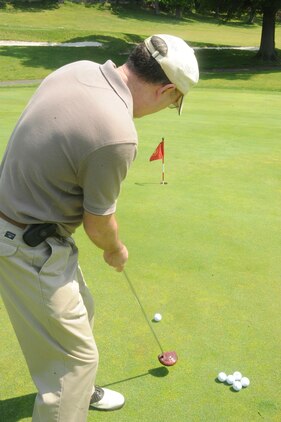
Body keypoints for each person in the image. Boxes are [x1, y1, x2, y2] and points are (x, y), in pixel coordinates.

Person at [0, 34, 199, 421]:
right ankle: (72, 395)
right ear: (167, 90)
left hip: (21, 220)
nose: (169, 106)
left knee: (83, 308)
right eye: (174, 101)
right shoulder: (118, 134)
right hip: (26, 241)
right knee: (76, 360)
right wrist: (115, 249)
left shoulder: (78, 70)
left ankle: (82, 392)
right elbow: (99, 224)